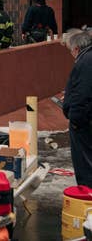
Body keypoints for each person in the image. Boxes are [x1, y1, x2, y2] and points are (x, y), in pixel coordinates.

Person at [61, 29, 92, 187]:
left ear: (76, 48)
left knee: (85, 162)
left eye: (70, 50)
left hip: (83, 121)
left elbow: (83, 93)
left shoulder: (85, 61)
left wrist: (75, 118)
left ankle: (87, 197)